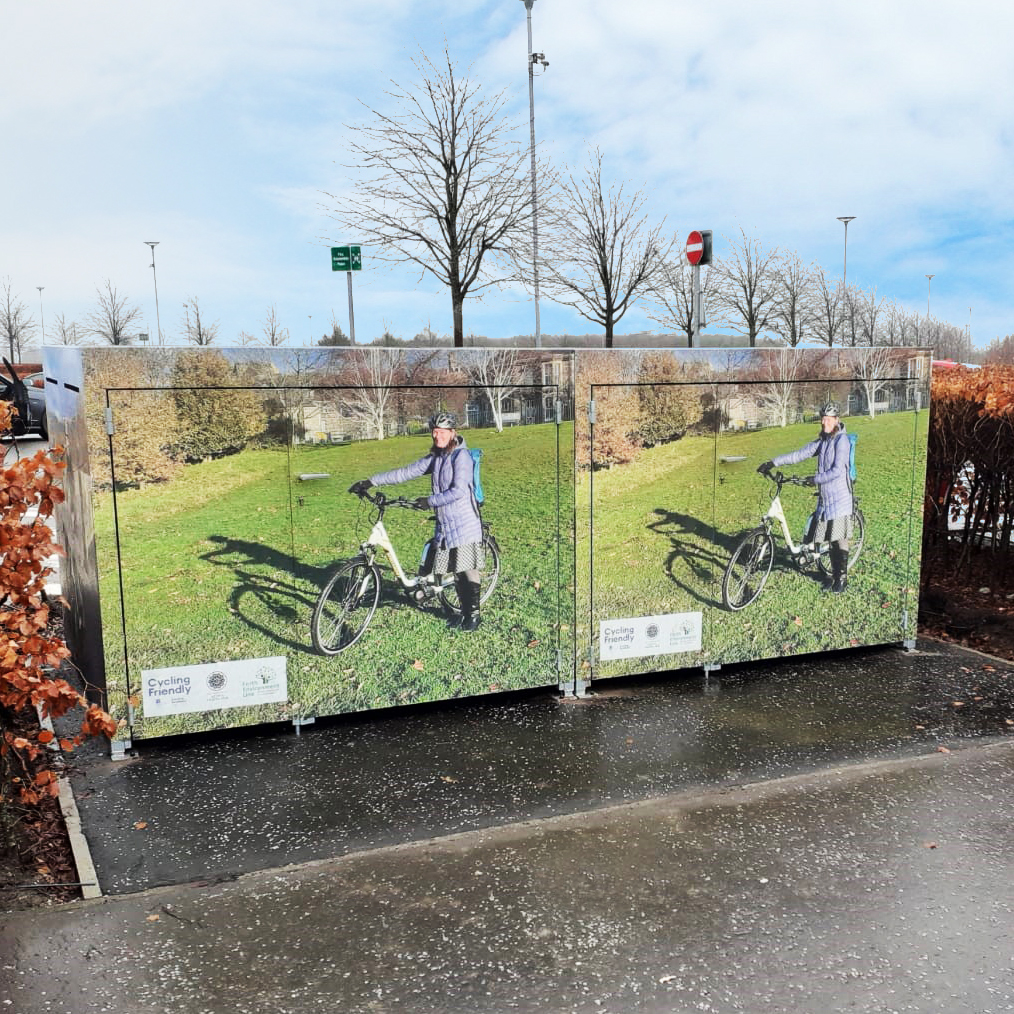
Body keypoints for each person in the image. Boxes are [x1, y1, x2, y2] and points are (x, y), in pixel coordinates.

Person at [349, 412, 485, 631]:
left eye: (441, 431)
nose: (436, 435)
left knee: (466, 569)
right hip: (445, 523)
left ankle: (474, 615)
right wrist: (370, 481)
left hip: (464, 521)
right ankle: (462, 612)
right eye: (434, 431)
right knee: (454, 570)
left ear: (452, 433)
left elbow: (458, 491)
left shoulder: (462, 457)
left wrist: (429, 501)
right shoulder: (437, 457)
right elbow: (406, 472)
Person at [757, 402, 854, 594]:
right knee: (822, 538)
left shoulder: (841, 441)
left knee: (838, 539)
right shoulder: (823, 440)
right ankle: (830, 574)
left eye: (828, 419)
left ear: (836, 420)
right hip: (825, 499)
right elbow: (800, 454)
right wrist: (772, 462)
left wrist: (815, 479)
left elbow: (836, 471)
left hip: (840, 498)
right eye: (823, 419)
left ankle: (841, 578)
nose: (824, 422)